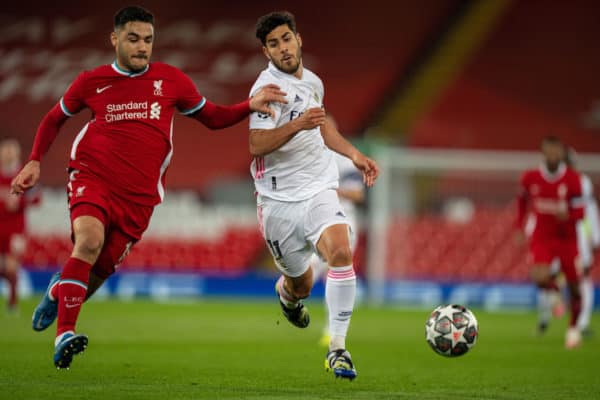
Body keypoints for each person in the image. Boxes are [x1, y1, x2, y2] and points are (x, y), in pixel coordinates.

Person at [11, 5, 286, 369]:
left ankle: (59, 289)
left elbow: (213, 117)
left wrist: (247, 105)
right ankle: (64, 334)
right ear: (115, 39)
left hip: (139, 198)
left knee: (98, 271)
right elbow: (54, 118)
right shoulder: (91, 81)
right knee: (89, 241)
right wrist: (33, 159)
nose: (142, 47)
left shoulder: (171, 80)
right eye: (133, 39)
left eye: (148, 40)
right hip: (92, 177)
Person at [249, 11, 379, 380]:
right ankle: (288, 296)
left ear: (299, 39)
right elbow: (256, 145)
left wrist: (354, 155)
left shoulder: (314, 84)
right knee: (302, 284)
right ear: (266, 51)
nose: (283, 48)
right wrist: (296, 124)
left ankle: (338, 349)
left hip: (319, 188)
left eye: (286, 39)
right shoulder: (266, 91)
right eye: (273, 44)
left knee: (340, 252)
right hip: (278, 202)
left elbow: (323, 132)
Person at [514, 136, 584, 348]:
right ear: (543, 153)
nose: (553, 155)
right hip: (542, 237)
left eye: (556, 152)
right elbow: (521, 202)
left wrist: (569, 216)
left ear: (562, 153)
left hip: (567, 240)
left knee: (575, 290)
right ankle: (554, 292)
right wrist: (519, 227)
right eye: (549, 151)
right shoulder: (530, 177)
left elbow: (581, 212)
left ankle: (573, 330)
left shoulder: (573, 179)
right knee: (538, 275)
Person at [309, 116, 365, 347]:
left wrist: (329, 190)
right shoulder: (309, 156)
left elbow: (358, 194)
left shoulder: (344, 158)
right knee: (318, 270)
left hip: (344, 220)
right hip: (317, 220)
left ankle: (332, 332)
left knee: (328, 268)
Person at [0, 138, 39, 313]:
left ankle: (12, 303)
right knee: (5, 269)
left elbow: (37, 198)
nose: (8, 154)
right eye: (5, 151)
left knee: (11, 267)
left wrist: (21, 202)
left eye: (11, 151)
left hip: (16, 228)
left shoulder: (25, 174)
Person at [565, 148, 599, 336]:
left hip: (579, 235)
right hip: (562, 236)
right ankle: (566, 312)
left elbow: (589, 210)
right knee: (566, 277)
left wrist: (594, 237)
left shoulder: (582, 182)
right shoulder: (559, 181)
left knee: (583, 278)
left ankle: (583, 321)